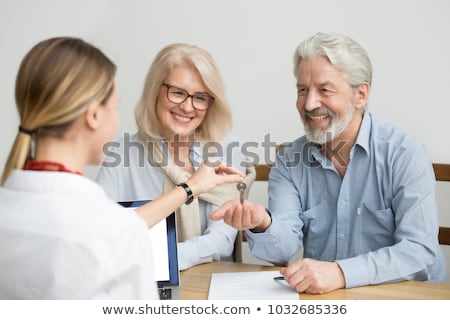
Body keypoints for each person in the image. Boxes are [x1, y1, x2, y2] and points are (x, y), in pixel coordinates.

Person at [0, 37, 244, 299]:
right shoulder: (116, 231)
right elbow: (118, 232)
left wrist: (189, 189)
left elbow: (117, 227)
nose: (187, 105)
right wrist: (190, 188)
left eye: (200, 97)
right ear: (94, 116)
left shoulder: (104, 225)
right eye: (115, 107)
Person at [211, 32, 447, 294]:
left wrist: (341, 273)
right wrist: (261, 223)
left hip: (405, 298)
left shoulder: (405, 154)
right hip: (329, 302)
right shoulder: (290, 160)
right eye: (302, 90)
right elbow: (283, 247)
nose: (310, 103)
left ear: (361, 95)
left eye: (324, 90)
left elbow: (419, 251)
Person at [97, 43, 254, 271]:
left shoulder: (230, 149)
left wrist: (161, 258)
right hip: (143, 285)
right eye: (178, 93)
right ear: (155, 91)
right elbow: (102, 232)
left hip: (209, 284)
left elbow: (220, 240)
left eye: (200, 97)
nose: (188, 107)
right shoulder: (121, 153)